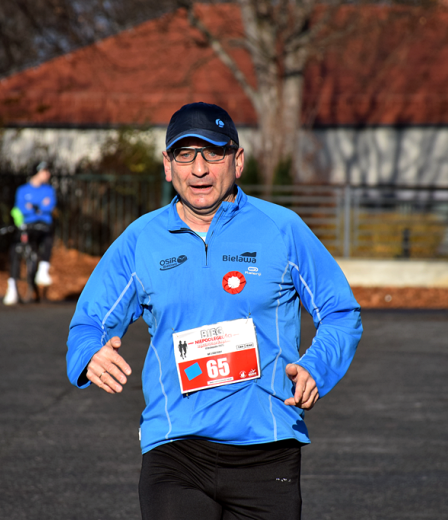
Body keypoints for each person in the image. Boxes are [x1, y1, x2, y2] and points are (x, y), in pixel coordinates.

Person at [66, 102, 362, 519]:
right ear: (167, 166)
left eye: (213, 153)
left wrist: (318, 365)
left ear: (237, 161)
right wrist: (89, 353)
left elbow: (340, 312)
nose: (199, 169)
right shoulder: (142, 240)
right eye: (185, 154)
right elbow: (88, 323)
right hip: (175, 450)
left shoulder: (282, 229)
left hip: (267, 451)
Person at [3, 161, 57, 305]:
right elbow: (21, 208)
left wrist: (32, 206)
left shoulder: (49, 190)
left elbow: (49, 206)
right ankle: (12, 287)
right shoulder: (23, 190)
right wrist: (39, 207)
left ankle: (43, 269)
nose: (48, 174)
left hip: (43, 225)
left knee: (48, 237)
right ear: (37, 172)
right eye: (45, 171)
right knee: (15, 249)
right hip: (27, 225)